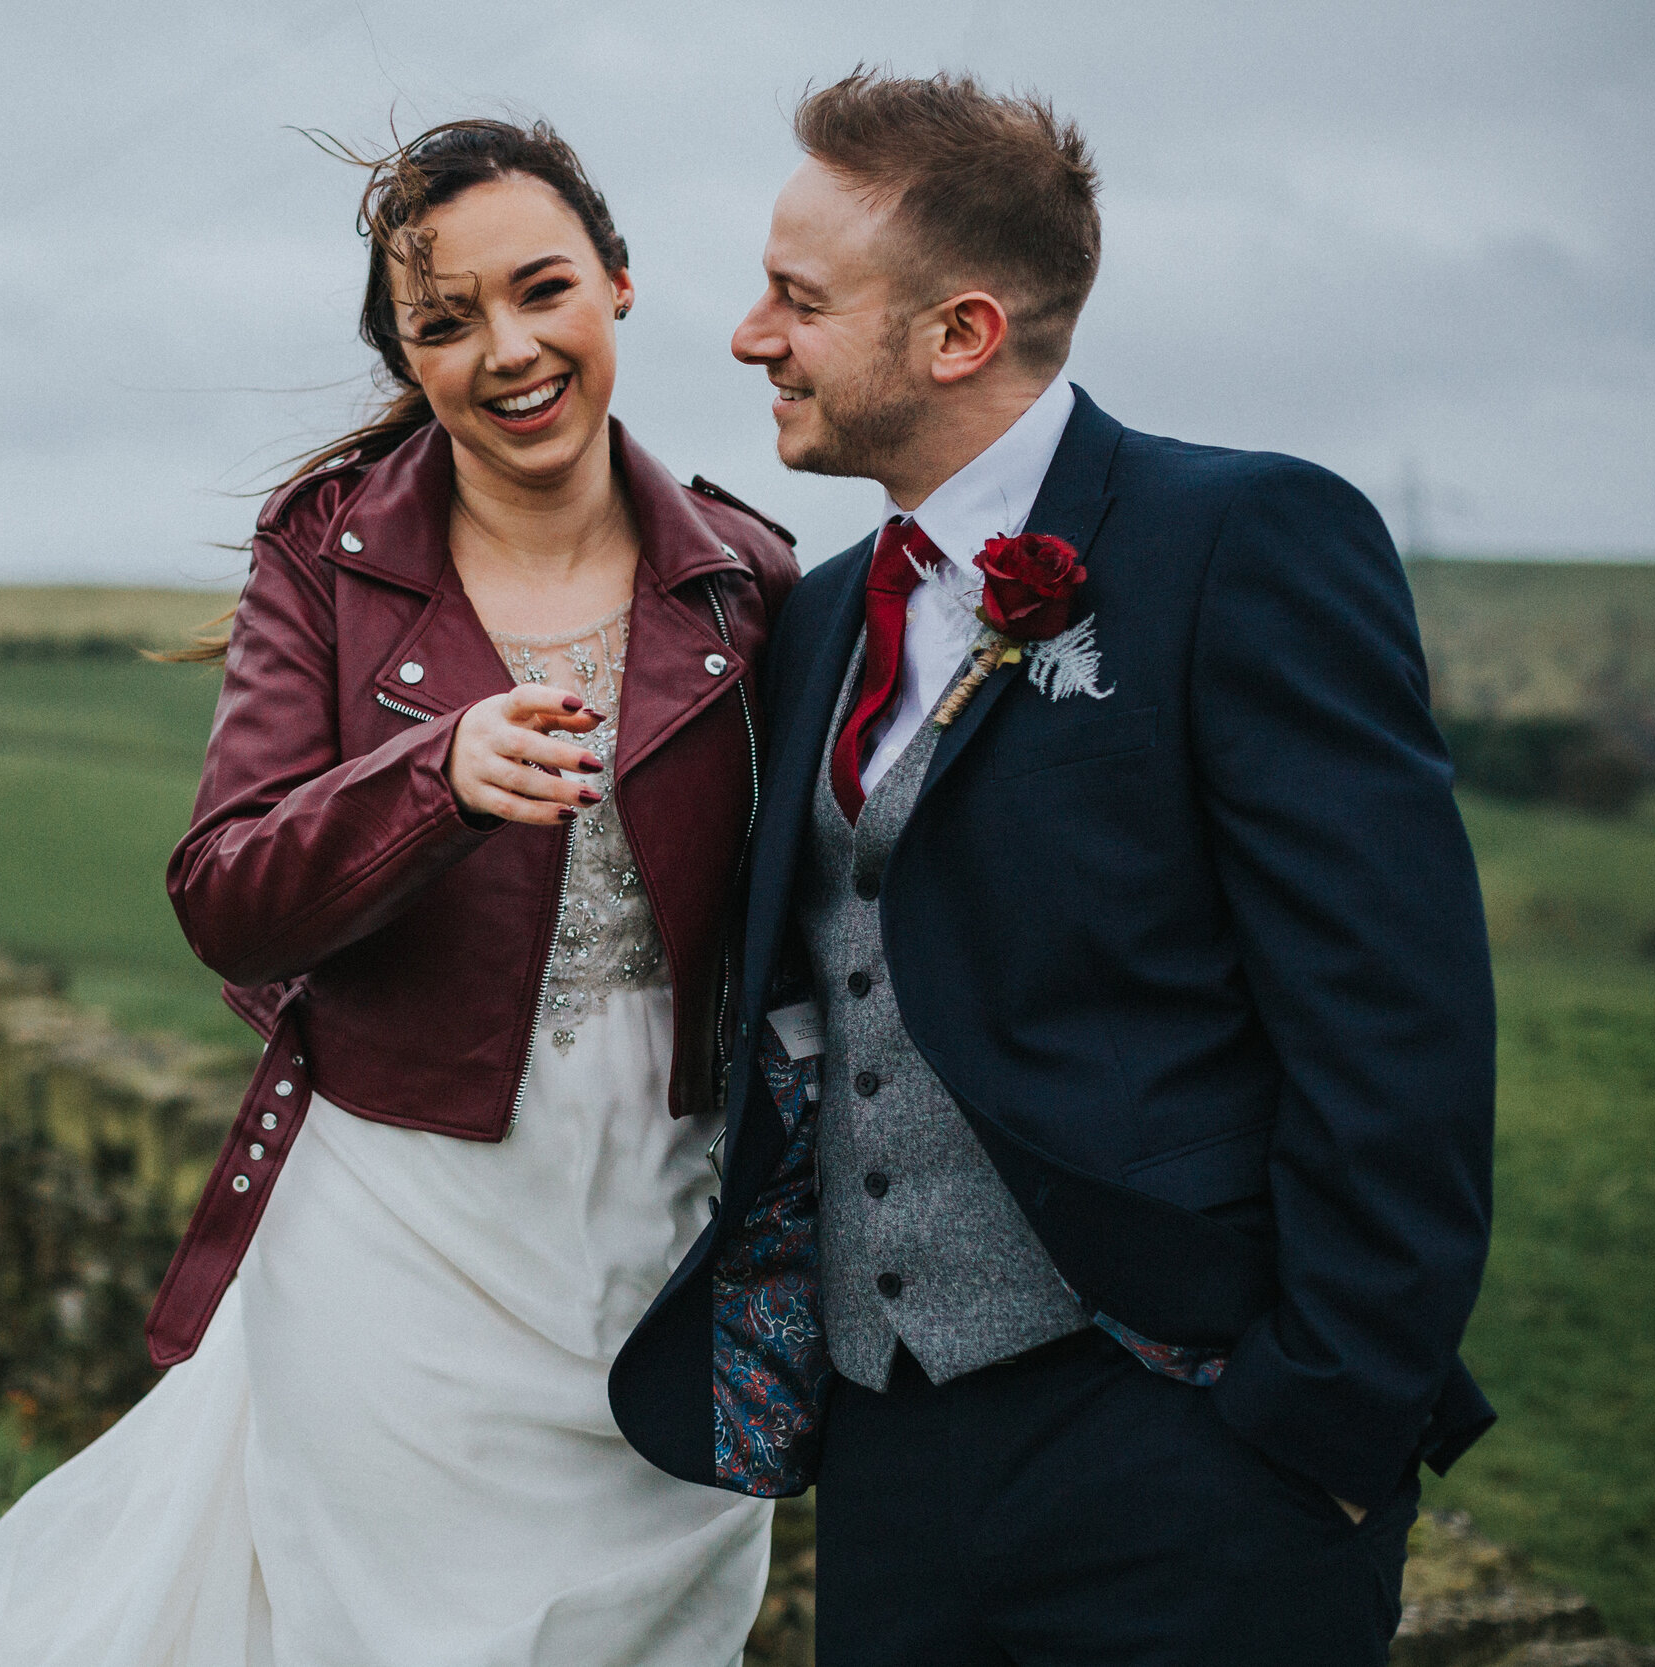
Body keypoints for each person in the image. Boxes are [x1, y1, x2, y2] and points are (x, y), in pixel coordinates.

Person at [609, 71, 1499, 1666]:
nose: (749, 336)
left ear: (958, 334)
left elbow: (1397, 1025)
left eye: (797, 300)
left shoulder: (1243, 542)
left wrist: (1325, 1429)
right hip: (891, 1456)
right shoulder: (817, 617)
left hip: (1195, 1445)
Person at [0, 119, 798, 1667]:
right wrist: (430, 783)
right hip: (402, 1227)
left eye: (542, 292)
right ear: (407, 351)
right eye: (446, 324)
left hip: (672, 1238)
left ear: (622, 285)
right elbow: (225, 894)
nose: (507, 351)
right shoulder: (324, 560)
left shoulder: (750, 578)